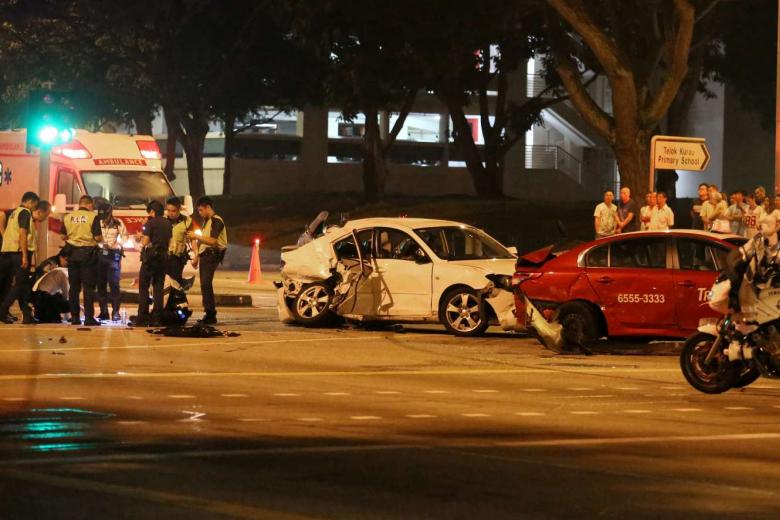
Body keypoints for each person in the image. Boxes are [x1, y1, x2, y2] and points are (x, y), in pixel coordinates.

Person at [0, 194, 45, 324]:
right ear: (30, 202)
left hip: (10, 252)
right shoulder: (25, 212)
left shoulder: (15, 212)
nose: (35, 207)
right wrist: (25, 255)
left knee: (22, 285)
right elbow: (23, 233)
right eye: (35, 204)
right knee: (19, 285)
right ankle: (2, 310)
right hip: (19, 252)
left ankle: (27, 315)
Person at [62, 195, 103, 326]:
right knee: (88, 288)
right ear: (90, 204)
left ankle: (75, 317)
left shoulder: (68, 217)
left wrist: (74, 238)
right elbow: (97, 237)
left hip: (72, 255)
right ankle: (89, 318)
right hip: (88, 256)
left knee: (74, 288)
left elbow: (63, 236)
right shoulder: (93, 217)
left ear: (80, 204)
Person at [187, 197, 227, 325]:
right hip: (206, 255)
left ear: (208, 207)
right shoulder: (207, 221)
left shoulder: (217, 221)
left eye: (201, 210)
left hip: (212, 254)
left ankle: (210, 314)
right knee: (205, 285)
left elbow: (212, 241)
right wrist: (197, 256)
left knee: (206, 284)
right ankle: (209, 313)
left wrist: (196, 236)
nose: (200, 213)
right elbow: (203, 243)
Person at [133, 200, 172, 326]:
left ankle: (142, 317)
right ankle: (157, 318)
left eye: (149, 212)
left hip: (150, 258)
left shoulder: (151, 223)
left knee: (144, 287)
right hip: (163, 258)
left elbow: (145, 242)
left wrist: (140, 237)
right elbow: (170, 241)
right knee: (158, 288)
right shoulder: (168, 223)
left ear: (153, 211)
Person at [96, 200, 128, 321]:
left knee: (114, 284)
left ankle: (115, 312)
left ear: (110, 213)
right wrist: (100, 243)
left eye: (105, 216)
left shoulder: (118, 223)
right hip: (100, 254)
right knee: (101, 284)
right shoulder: (97, 222)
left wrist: (119, 244)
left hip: (113, 255)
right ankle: (103, 312)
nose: (103, 219)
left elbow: (125, 236)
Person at [31, 251, 70, 323]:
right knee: (69, 303)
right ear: (61, 257)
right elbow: (66, 295)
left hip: (36, 297)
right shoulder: (59, 271)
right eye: (67, 260)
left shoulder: (55, 267)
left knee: (57, 297)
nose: (68, 263)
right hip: (42, 297)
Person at [165, 197, 194, 291]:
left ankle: (179, 293)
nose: (170, 213)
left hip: (178, 257)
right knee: (164, 281)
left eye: (173, 211)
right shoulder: (163, 220)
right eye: (168, 210)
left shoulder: (187, 221)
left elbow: (193, 239)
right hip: (163, 255)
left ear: (179, 210)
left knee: (175, 280)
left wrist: (196, 255)